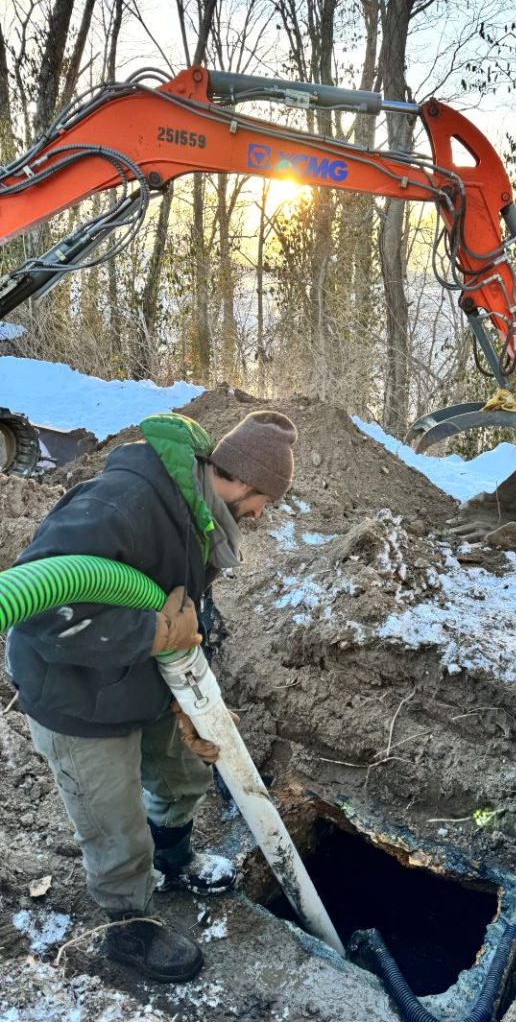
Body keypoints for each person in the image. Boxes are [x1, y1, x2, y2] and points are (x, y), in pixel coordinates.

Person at [4, 409, 298, 983]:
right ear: (239, 478)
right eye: (266, 499)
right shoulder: (123, 505)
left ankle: (175, 857)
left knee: (182, 775)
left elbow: (186, 610)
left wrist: (195, 694)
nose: (263, 514)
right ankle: (127, 925)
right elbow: (39, 608)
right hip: (75, 696)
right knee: (115, 824)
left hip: (141, 679)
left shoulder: (196, 514)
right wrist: (151, 635)